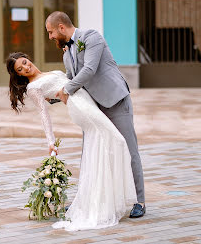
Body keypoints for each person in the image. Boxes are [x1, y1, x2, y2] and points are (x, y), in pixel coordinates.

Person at [6, 52, 137, 231]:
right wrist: (50, 141)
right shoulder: (33, 88)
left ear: (28, 58)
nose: (26, 68)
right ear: (19, 75)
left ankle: (103, 200)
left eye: (25, 63)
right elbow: (44, 114)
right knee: (117, 140)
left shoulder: (47, 74)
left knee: (101, 146)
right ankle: (103, 200)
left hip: (86, 101)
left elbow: (67, 82)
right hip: (79, 106)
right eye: (20, 69)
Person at [45, 11, 146, 218]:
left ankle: (140, 201)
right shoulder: (66, 53)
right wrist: (55, 96)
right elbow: (73, 81)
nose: (50, 37)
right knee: (91, 152)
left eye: (51, 32)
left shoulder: (92, 37)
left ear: (61, 27)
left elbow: (89, 69)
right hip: (94, 108)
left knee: (129, 149)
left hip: (115, 100)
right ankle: (84, 201)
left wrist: (67, 89)